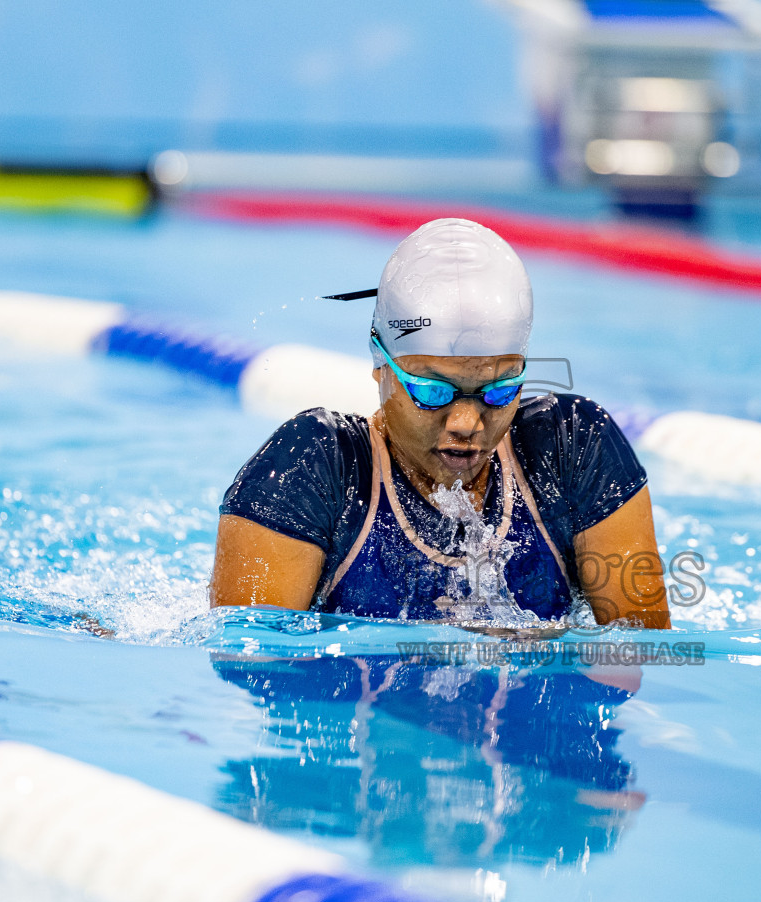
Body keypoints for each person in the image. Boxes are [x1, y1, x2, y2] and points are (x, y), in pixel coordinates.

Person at [210, 217, 670, 628]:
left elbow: (643, 658)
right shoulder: (312, 468)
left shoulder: (573, 447)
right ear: (382, 367)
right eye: (432, 392)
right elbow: (251, 666)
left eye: (499, 390)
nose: (468, 423)